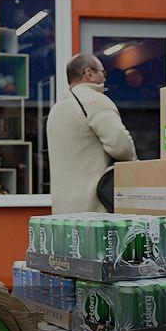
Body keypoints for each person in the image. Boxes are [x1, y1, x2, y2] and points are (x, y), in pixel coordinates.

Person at [46, 53, 137, 214]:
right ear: (89, 73)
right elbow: (121, 147)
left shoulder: (56, 109)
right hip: (94, 211)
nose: (105, 78)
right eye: (103, 72)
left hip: (63, 211)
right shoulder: (95, 101)